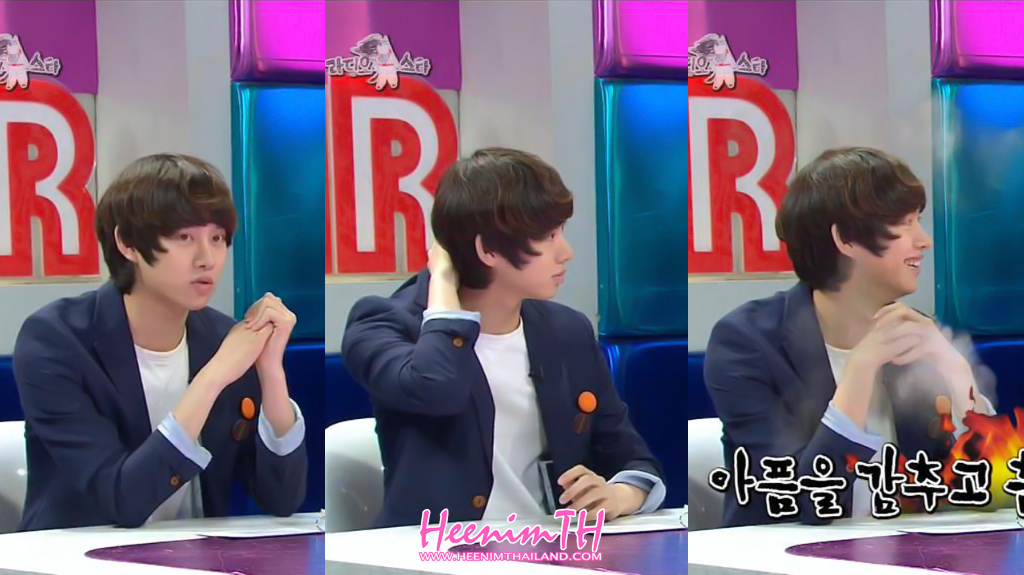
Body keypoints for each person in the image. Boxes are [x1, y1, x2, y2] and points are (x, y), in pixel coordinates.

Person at [342, 147, 665, 527]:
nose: (566, 252)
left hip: (554, 548)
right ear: (488, 249)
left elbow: (632, 458)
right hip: (431, 551)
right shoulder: (382, 324)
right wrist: (442, 281)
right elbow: (436, 387)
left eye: (561, 232)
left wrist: (619, 494)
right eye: (547, 237)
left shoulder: (567, 332)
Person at [14, 154, 307, 530]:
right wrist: (213, 376)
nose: (207, 259)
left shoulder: (222, 339)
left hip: (197, 554)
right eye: (184, 237)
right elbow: (121, 501)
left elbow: (282, 499)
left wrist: (270, 371)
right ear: (128, 243)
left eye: (217, 238)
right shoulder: (56, 341)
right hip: (76, 553)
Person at [704, 147, 995, 527]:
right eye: (904, 223)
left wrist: (955, 370)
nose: (924, 240)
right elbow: (801, 502)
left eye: (918, 220)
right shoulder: (746, 342)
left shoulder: (917, 335)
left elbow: (991, 489)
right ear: (847, 239)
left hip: (909, 552)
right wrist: (860, 368)